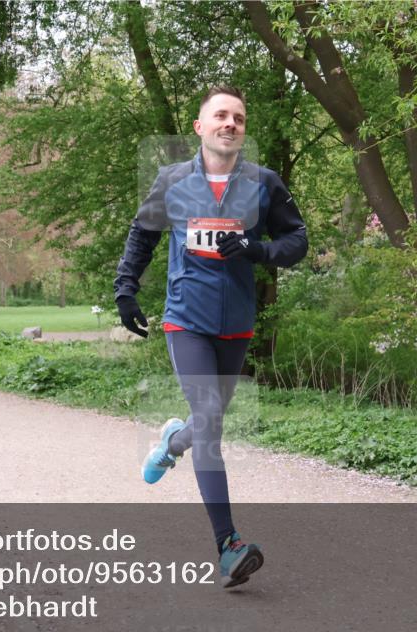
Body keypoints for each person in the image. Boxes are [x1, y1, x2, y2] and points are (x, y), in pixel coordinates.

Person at [114, 84, 308, 589]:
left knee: (205, 425)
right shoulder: (173, 181)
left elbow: (297, 241)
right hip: (187, 319)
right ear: (199, 127)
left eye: (238, 118)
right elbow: (143, 234)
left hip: (238, 322)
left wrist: (256, 248)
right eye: (220, 116)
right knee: (213, 421)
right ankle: (228, 546)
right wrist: (126, 292)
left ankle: (173, 442)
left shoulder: (264, 183)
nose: (230, 124)